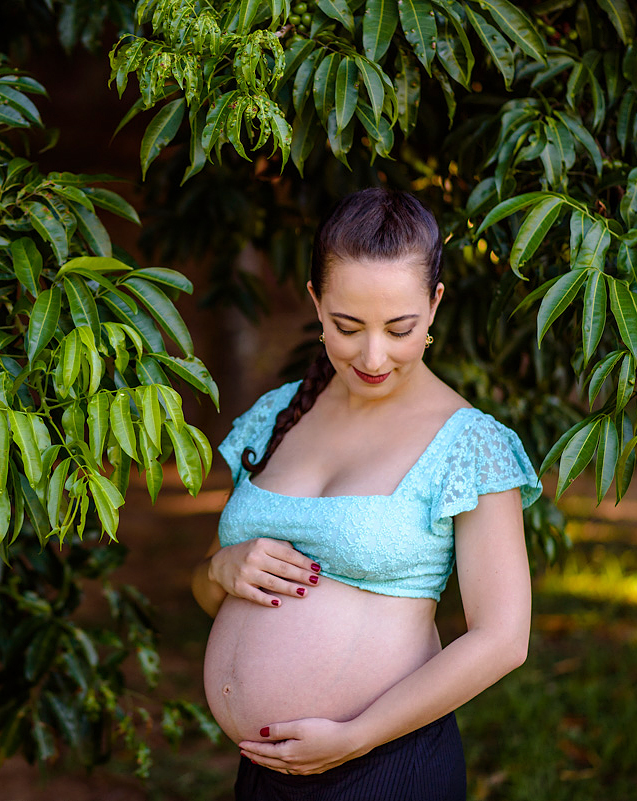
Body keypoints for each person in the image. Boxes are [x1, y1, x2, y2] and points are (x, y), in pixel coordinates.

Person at [192, 187, 542, 801]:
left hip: (382, 767)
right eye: (347, 326)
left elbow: (503, 639)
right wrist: (221, 569)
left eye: (399, 329)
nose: (373, 356)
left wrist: (358, 736)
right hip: (264, 774)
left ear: (434, 305)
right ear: (315, 303)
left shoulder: (470, 445)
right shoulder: (278, 416)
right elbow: (208, 594)